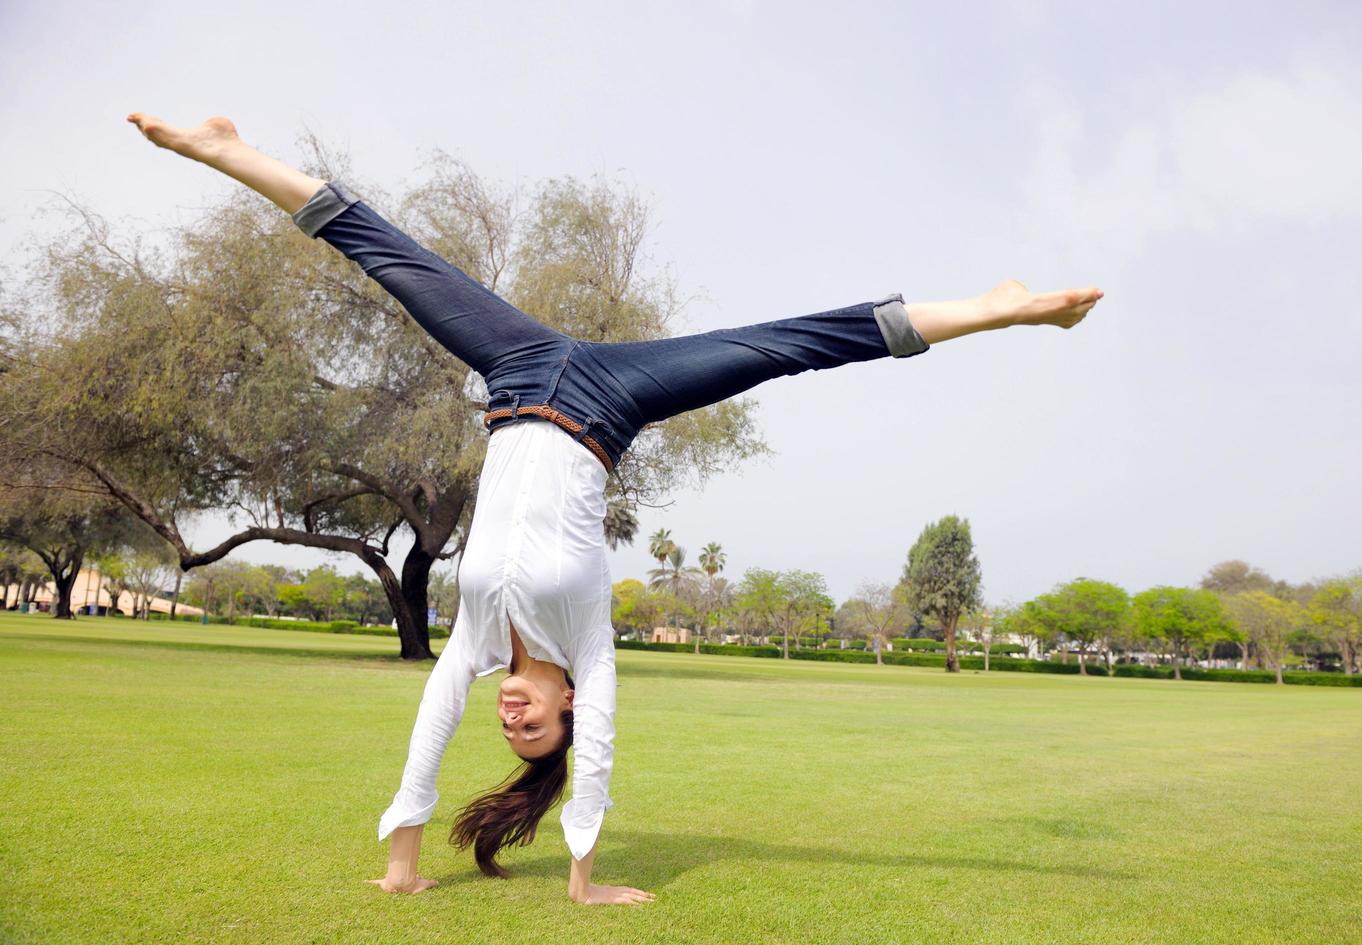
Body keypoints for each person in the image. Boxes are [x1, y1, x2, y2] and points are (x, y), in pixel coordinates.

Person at [125, 113, 1103, 905]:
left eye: (510, 729)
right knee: (788, 343)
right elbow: (594, 763)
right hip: (607, 399)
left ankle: (229, 154)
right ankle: (1000, 307)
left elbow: (426, 739)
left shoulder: (475, 641)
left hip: (514, 376)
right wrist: (583, 876)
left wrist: (400, 859)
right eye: (531, 729)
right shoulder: (588, 644)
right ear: (567, 709)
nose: (511, 716)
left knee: (395, 260)